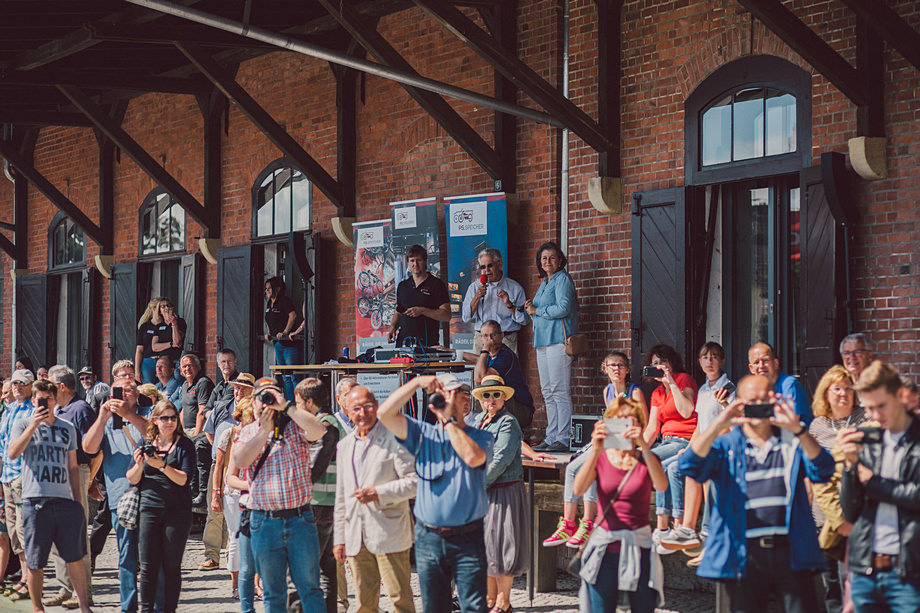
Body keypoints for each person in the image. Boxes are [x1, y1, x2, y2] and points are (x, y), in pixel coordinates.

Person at [679, 374, 834, 613]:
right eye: (752, 401)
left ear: (774, 400)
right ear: (740, 404)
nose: (758, 406)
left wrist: (798, 430)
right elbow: (689, 466)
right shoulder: (727, 444)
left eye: (764, 400)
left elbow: (824, 469)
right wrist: (718, 425)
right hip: (742, 551)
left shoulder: (792, 442)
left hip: (790, 549)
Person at [377, 373, 493, 613]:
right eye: (441, 394)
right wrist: (415, 383)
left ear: (464, 401)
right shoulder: (423, 434)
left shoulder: (481, 436)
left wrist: (448, 421)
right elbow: (384, 414)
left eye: (453, 393)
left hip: (468, 537)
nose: (447, 399)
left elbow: (473, 458)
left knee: (474, 606)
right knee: (434, 607)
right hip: (429, 537)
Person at [232, 377, 327, 612]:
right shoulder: (247, 432)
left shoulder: (295, 426)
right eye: (262, 397)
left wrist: (286, 406)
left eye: (271, 396)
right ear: (253, 403)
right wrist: (264, 432)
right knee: (273, 592)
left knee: (310, 587)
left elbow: (319, 430)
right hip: (264, 521)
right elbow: (241, 461)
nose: (266, 402)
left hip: (299, 519)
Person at [572, 396, 667, 613]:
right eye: (618, 420)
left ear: (639, 424)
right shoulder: (602, 457)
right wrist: (596, 449)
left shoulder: (646, 459)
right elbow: (578, 489)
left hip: (639, 547)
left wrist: (643, 445)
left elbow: (661, 485)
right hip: (605, 549)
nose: (624, 425)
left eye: (629, 419)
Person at [544, 351, 647, 549]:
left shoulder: (634, 392)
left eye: (620, 365)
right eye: (612, 365)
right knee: (572, 468)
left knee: (594, 467)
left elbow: (644, 424)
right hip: (611, 438)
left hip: (628, 442)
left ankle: (588, 522)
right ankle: (568, 523)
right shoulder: (607, 391)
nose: (616, 369)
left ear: (627, 370)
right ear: (605, 369)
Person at [839, 361, 920, 612]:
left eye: (881, 406)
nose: (875, 415)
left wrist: (872, 482)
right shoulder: (867, 441)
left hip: (909, 572)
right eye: (869, 408)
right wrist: (850, 467)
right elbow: (850, 511)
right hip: (866, 568)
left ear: (900, 395)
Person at [7, 379, 93, 613]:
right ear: (34, 401)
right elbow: (13, 453)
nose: (44, 403)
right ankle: (38, 608)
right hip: (35, 501)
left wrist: (78, 502)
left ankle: (84, 606)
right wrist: (34, 425)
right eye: (40, 399)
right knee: (35, 561)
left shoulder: (67, 427)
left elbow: (73, 467)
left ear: (55, 401)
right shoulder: (23, 424)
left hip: (64, 501)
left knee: (74, 557)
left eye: (49, 399)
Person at [333, 385, 418, 613]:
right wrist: (339, 538)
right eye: (356, 408)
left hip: (389, 533)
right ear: (347, 411)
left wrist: (379, 493)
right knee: (365, 604)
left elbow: (414, 482)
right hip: (356, 536)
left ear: (377, 406)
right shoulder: (344, 446)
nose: (362, 413)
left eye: (368, 406)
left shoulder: (395, 439)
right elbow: (341, 496)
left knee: (400, 600)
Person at [82, 370, 153, 613]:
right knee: (127, 557)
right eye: (117, 391)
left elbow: (157, 435)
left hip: (152, 496)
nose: (121, 395)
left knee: (153, 557)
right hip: (120, 498)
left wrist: (129, 415)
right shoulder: (107, 420)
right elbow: (89, 447)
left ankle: (154, 605)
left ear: (136, 393)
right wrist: (102, 417)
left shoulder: (149, 413)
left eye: (126, 391)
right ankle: (128, 607)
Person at [809, 365, 872, 613]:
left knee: (853, 582)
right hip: (823, 516)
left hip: (854, 516)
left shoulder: (865, 421)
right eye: (837, 388)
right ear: (826, 393)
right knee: (830, 583)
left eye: (848, 388)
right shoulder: (817, 426)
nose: (843, 393)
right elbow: (810, 473)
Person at [662, 342, 734, 554]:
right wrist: (690, 448)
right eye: (705, 357)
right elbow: (700, 426)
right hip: (704, 446)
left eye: (714, 357)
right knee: (674, 467)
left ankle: (706, 532)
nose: (709, 362)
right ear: (700, 362)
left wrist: (725, 405)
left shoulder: (730, 388)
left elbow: (734, 424)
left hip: (722, 448)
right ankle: (682, 528)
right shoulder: (703, 390)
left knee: (702, 469)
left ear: (722, 361)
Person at [126, 401, 195, 613]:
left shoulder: (185, 445)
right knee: (148, 567)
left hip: (177, 512)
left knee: (171, 566)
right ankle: (146, 610)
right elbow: (132, 478)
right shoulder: (146, 442)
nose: (170, 422)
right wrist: (140, 464)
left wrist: (162, 466)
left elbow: (184, 479)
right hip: (149, 509)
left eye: (173, 417)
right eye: (165, 418)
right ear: (155, 420)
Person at [470, 375, 530, 613]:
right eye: (486, 395)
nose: (491, 399)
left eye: (496, 394)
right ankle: (489, 599)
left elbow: (502, 458)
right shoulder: (478, 421)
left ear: (504, 397)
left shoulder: (508, 422)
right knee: (485, 546)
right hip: (483, 490)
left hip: (504, 489)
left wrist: (477, 484)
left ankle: (503, 602)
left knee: (503, 547)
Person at [43, 366, 96, 609]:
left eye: (51, 384)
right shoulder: (57, 410)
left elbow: (95, 449)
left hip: (77, 473)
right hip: (55, 475)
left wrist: (90, 480)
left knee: (77, 534)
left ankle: (83, 592)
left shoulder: (81, 409)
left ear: (62, 387)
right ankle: (64, 588)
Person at [641, 344, 699, 553]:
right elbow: (652, 429)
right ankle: (662, 528)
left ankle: (672, 526)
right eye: (655, 363)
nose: (659, 366)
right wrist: (638, 450)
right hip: (665, 442)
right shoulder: (657, 393)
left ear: (671, 363)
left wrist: (671, 383)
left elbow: (687, 411)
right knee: (649, 464)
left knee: (658, 465)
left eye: (663, 362)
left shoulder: (683, 379)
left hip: (685, 441)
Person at [525, 241, 578, 452]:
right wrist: (531, 309)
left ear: (560, 260)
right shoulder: (545, 282)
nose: (548, 261)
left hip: (557, 341)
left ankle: (563, 438)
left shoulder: (562, 279)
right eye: (544, 258)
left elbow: (564, 308)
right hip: (542, 342)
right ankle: (552, 435)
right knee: (547, 391)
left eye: (552, 257)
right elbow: (539, 313)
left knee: (559, 390)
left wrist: (537, 311)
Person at [296, 378, 343, 613]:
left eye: (298, 403)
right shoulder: (331, 422)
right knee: (326, 568)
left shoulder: (325, 425)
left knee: (308, 567)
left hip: (318, 503)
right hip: (326, 503)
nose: (297, 409)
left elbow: (317, 465)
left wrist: (301, 483)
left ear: (310, 402)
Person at [199, 349, 241, 571]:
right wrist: (220, 447)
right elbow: (209, 428)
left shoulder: (253, 411)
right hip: (220, 463)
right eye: (237, 388)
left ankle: (236, 556)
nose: (238, 392)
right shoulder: (220, 401)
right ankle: (212, 554)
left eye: (243, 389)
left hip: (243, 465)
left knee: (240, 511)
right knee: (214, 508)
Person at [214, 396, 254, 602]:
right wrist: (215, 493)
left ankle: (255, 584)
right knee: (236, 537)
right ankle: (236, 584)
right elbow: (219, 466)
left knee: (255, 539)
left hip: (255, 495)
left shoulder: (261, 433)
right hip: (233, 493)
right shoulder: (229, 434)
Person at [0, 369, 36, 602]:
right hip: (7, 476)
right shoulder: (9, 409)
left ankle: (29, 580)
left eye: (22, 383)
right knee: (13, 530)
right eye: (14, 383)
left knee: (24, 529)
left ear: (31, 385)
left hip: (23, 475)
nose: (17, 387)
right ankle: (23, 577)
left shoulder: (34, 410)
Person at [463, 320, 535, 429]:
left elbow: (479, 377)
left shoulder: (505, 355)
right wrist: (455, 353)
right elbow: (477, 358)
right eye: (486, 336)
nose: (490, 340)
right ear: (481, 339)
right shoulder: (490, 355)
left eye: (493, 335)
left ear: (501, 336)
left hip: (521, 411)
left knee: (486, 389)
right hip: (509, 406)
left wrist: (485, 348)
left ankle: (491, 427)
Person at [460, 248, 530, 354]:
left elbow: (524, 320)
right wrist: (477, 296)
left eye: (490, 265)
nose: (486, 270)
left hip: (506, 340)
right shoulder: (474, 287)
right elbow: (466, 317)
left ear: (500, 264)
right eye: (483, 267)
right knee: (479, 366)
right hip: (482, 341)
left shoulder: (515, 288)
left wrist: (509, 304)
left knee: (507, 366)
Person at [387, 244, 451, 348]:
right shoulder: (403, 286)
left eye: (418, 260)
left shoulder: (436, 284)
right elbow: (398, 312)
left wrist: (422, 311)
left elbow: (446, 315)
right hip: (404, 345)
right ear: (408, 263)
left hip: (428, 345)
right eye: (412, 261)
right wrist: (392, 328)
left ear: (425, 261)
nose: (415, 264)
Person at [177, 353, 214, 507]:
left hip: (200, 430)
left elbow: (202, 411)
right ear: (180, 370)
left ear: (198, 367)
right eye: (184, 366)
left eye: (190, 365)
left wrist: (196, 434)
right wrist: (180, 432)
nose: (187, 368)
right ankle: (186, 492)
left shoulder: (203, 382)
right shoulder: (184, 386)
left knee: (195, 451)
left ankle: (198, 492)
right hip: (186, 430)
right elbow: (183, 411)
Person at [748, 342, 813, 425]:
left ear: (776, 363)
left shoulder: (789, 384)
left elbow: (790, 422)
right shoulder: (750, 388)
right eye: (756, 362)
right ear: (751, 368)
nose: (761, 366)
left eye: (765, 360)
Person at [263, 276, 302, 401]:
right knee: (285, 377)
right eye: (266, 289)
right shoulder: (269, 303)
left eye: (269, 288)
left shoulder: (284, 301)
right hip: (277, 344)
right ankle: (291, 403)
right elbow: (269, 319)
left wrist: (285, 331)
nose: (267, 291)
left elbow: (293, 315)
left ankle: (299, 404)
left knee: (294, 376)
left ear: (278, 288)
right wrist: (269, 332)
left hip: (289, 345)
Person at [151, 300, 187, 381]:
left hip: (176, 360)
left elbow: (177, 342)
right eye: (163, 306)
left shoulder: (180, 322)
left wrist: (174, 324)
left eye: (168, 305)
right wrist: (171, 344)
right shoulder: (158, 326)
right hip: (163, 362)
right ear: (159, 311)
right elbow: (154, 347)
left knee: (178, 379)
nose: (166, 308)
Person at [135, 297, 165, 384]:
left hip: (163, 360)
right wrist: (137, 370)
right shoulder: (144, 327)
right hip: (148, 362)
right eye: (161, 307)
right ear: (153, 308)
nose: (163, 310)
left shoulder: (167, 324)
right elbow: (139, 350)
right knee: (149, 387)